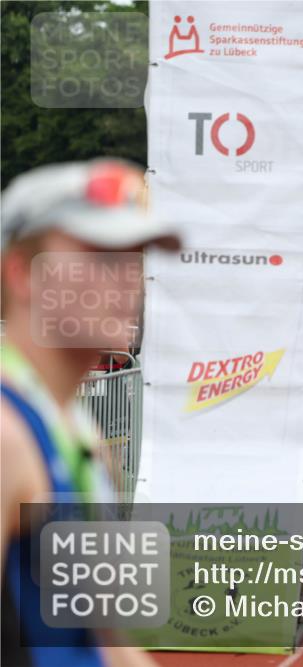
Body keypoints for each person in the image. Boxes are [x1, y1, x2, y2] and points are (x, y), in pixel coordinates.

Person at [1, 159, 180, 667]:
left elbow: (105, 639)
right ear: (21, 272)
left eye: (134, 258)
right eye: (100, 255)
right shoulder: (7, 437)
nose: (127, 280)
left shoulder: (79, 433)